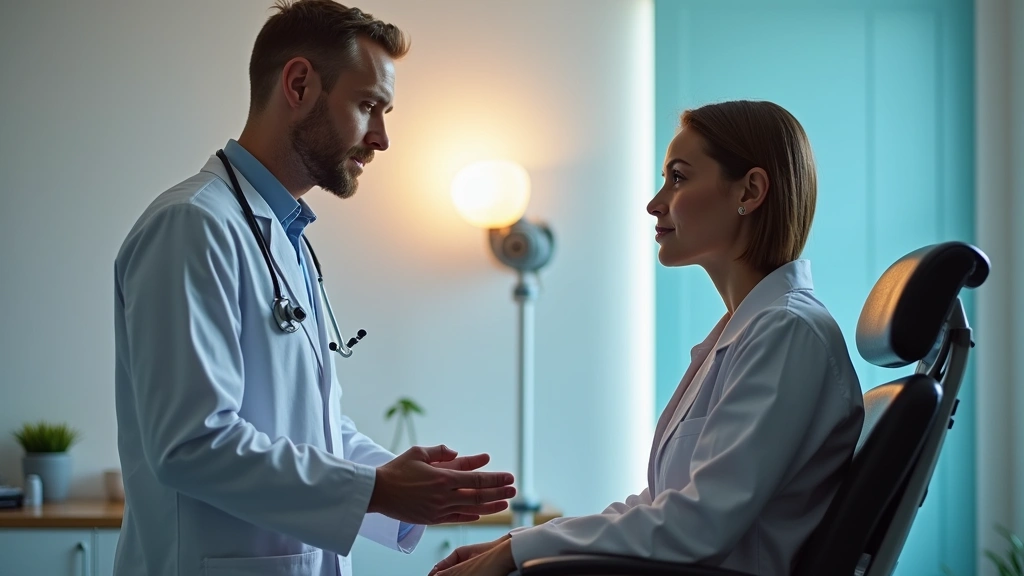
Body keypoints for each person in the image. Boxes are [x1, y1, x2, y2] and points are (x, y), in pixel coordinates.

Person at [111, 2, 516, 575]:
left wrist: (405, 484)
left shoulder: (286, 235)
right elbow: (192, 444)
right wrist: (376, 489)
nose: (381, 138)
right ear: (299, 83)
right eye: (368, 106)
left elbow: (314, 428)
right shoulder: (192, 225)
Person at [428, 100, 866, 576]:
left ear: (751, 190)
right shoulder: (748, 331)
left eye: (678, 178)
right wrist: (517, 542)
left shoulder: (786, 332)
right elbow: (661, 505)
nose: (655, 203)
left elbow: (696, 525)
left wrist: (517, 555)